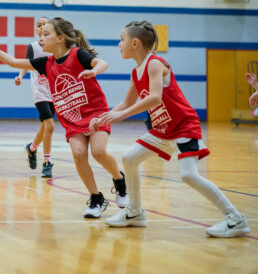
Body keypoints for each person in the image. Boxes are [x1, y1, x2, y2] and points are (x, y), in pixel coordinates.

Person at [97, 20, 250, 238]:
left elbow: (155, 97)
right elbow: (126, 103)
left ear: (135, 43)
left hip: (184, 125)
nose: (118, 44)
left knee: (188, 174)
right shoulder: (136, 72)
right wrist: (105, 117)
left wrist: (121, 115)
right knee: (130, 158)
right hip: (162, 129)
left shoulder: (155, 64)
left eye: (122, 39)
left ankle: (235, 219)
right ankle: (135, 213)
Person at [0, 17, 129, 218]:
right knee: (78, 154)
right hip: (72, 118)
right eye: (41, 32)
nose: (41, 36)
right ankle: (96, 198)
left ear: (60, 38)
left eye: (46, 33)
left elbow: (103, 62)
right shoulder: (45, 63)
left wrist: (93, 71)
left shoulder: (78, 54)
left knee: (99, 151)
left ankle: (120, 181)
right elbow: (14, 62)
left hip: (94, 114)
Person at [15, 17, 55, 178]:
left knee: (46, 127)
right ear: (36, 30)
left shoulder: (56, 47)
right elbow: (26, 63)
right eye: (39, 25)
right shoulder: (33, 46)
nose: (42, 27)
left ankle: (32, 148)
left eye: (46, 24)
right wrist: (19, 76)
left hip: (55, 92)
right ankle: (47, 162)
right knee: (50, 126)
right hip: (39, 92)